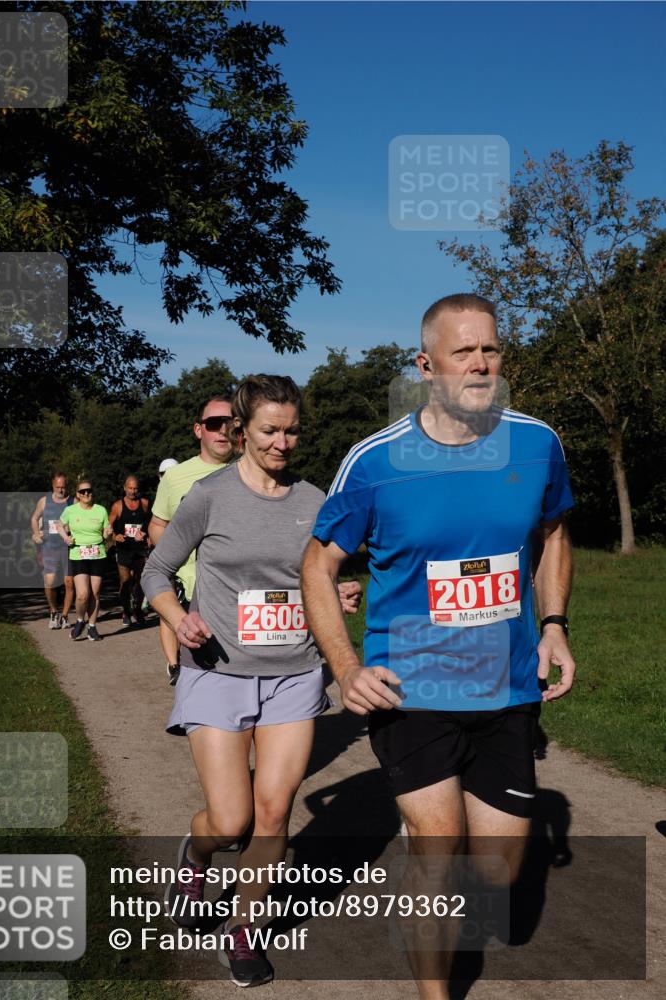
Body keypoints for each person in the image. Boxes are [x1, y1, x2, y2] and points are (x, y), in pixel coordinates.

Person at [301, 294, 576, 1000]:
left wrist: (553, 626)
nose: (481, 363)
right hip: (409, 687)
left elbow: (552, 536)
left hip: (507, 687)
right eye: (464, 351)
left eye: (491, 349)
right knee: (436, 852)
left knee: (495, 871)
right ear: (427, 365)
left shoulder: (536, 443)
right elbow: (317, 566)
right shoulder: (376, 461)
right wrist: (346, 667)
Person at [142, 375, 361, 988]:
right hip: (216, 671)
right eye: (270, 430)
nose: (283, 442)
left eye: (292, 431)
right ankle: (196, 853)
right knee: (231, 819)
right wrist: (176, 615)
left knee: (272, 813)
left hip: (293, 674)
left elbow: (319, 576)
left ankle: (243, 931)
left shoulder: (316, 501)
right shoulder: (209, 497)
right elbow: (155, 570)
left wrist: (338, 590)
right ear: (242, 429)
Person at [148, 397, 234, 683]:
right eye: (213, 424)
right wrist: (176, 557)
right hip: (195, 593)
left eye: (231, 423)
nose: (223, 430)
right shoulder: (174, 477)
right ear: (198, 430)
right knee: (205, 680)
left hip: (245, 596)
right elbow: (158, 525)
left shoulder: (253, 470)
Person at [58, 479, 113, 642]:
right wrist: (65, 538)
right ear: (78, 495)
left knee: (95, 593)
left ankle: (92, 627)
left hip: (97, 554)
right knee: (82, 594)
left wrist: (108, 533)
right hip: (78, 554)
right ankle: (81, 620)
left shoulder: (100, 510)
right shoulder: (70, 510)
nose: (86, 494)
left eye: (89, 491)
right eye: (82, 492)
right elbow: (59, 525)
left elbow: (105, 534)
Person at [30, 473, 75, 629]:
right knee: (49, 582)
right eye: (58, 487)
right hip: (49, 547)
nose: (61, 490)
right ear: (53, 486)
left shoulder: (72, 501)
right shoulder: (44, 501)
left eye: (63, 487)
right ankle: (54, 612)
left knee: (69, 583)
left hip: (67, 547)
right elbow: (34, 518)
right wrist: (36, 534)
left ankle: (65, 616)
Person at [109, 476, 151, 626]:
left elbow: (150, 523)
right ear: (125, 488)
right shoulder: (117, 506)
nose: (133, 491)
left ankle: (138, 611)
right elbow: (107, 528)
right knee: (125, 582)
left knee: (140, 581)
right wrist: (115, 535)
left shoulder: (145, 504)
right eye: (130, 488)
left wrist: (146, 534)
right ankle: (126, 611)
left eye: (135, 488)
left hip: (139, 550)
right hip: (124, 550)